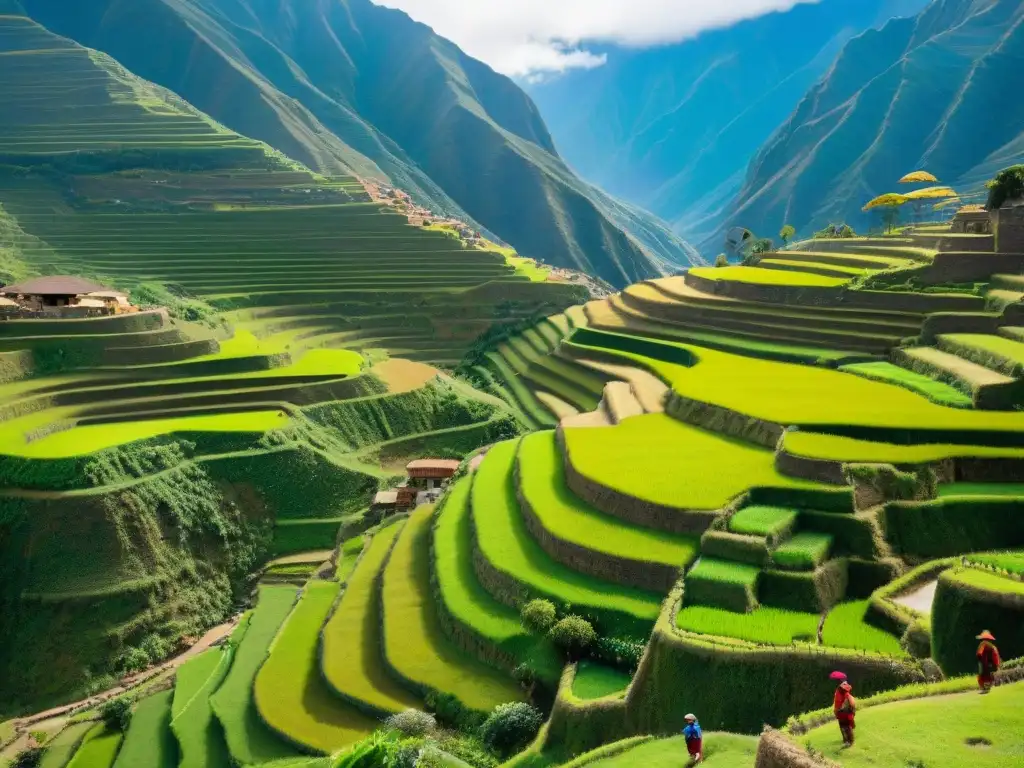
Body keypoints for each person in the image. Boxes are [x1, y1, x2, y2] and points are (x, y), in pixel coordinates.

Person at [833, 680, 856, 748]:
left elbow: (840, 705)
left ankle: (849, 741)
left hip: (843, 713)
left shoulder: (842, 694)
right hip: (845, 713)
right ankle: (848, 740)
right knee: (846, 727)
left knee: (845, 727)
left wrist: (837, 711)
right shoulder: (845, 693)